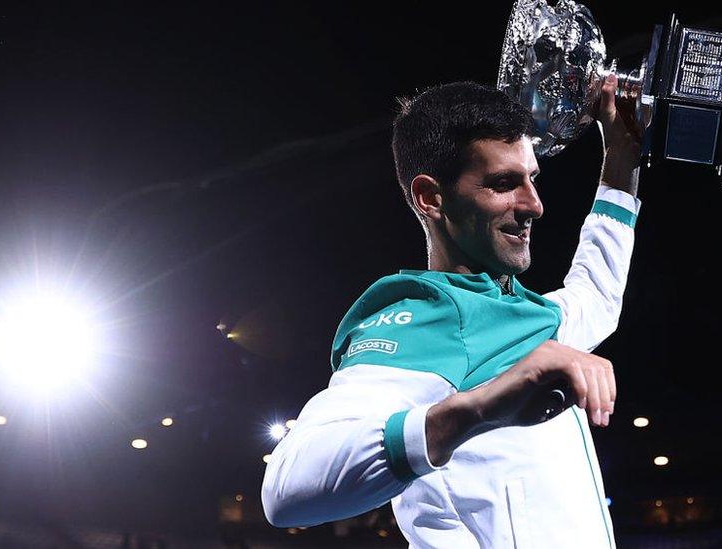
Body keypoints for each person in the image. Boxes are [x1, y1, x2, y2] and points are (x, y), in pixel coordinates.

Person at [261, 76, 642, 548]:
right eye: (504, 184)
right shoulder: (427, 321)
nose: (534, 205)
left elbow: (597, 296)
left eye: (532, 180)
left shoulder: (523, 316)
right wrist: (481, 408)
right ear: (431, 197)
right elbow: (285, 490)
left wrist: (622, 158)